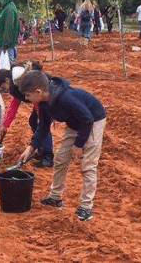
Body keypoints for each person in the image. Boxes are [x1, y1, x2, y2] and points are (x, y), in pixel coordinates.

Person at [16, 70, 106, 222]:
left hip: (92, 121)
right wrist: (30, 147)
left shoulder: (66, 98)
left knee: (88, 165)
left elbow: (87, 119)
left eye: (28, 95)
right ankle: (55, 197)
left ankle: (86, 207)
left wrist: (79, 144)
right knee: (60, 158)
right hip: (75, 123)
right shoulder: (43, 102)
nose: (26, 98)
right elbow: (43, 126)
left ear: (38, 92)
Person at [0, 60, 53, 168]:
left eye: (3, 88)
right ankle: (41, 149)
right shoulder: (15, 83)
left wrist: (40, 116)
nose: (4, 91)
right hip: (39, 100)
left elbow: (37, 99)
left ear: (7, 80)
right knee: (33, 121)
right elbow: (15, 104)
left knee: (42, 124)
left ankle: (47, 156)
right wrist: (5, 124)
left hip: (46, 97)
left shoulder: (19, 79)